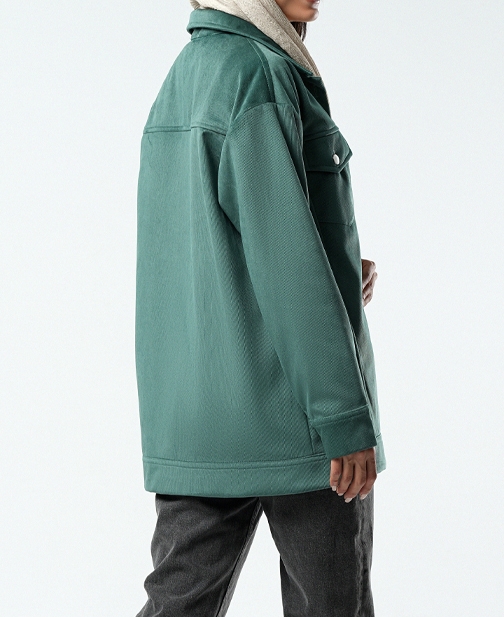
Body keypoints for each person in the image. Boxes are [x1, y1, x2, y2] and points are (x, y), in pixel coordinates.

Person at [134, 0, 387, 615]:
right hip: (295, 419)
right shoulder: (259, 73)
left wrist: (334, 265)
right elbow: (287, 262)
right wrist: (342, 418)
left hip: (197, 418)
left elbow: (201, 247)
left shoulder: (188, 71)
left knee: (177, 604)